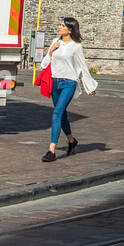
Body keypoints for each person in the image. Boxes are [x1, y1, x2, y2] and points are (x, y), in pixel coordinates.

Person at [39, 17, 96, 162]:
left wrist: (89, 86)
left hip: (69, 83)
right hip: (55, 81)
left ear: (70, 29)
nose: (59, 27)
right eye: (60, 25)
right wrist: (51, 52)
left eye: (62, 25)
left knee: (57, 112)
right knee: (62, 114)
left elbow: (83, 67)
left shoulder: (76, 46)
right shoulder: (55, 42)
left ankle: (51, 150)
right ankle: (71, 141)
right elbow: (44, 65)